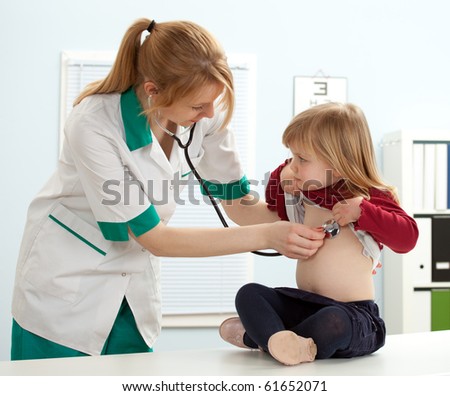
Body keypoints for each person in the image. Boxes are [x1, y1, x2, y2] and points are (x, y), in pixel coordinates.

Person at [11, 18, 326, 360]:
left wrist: (317, 217)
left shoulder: (205, 112)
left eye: (213, 101)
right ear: (153, 91)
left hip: (133, 294)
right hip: (65, 292)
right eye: (196, 106)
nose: (208, 113)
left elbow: (237, 204)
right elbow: (155, 238)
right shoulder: (94, 124)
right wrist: (270, 236)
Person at [219, 102, 419, 366]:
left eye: (302, 159)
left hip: (352, 314)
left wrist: (363, 213)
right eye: (291, 157)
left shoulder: (369, 199)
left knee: (333, 321)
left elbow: (408, 238)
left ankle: (263, 338)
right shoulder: (307, 197)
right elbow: (273, 205)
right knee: (249, 293)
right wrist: (283, 177)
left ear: (337, 164)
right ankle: (283, 341)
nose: (293, 164)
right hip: (306, 306)